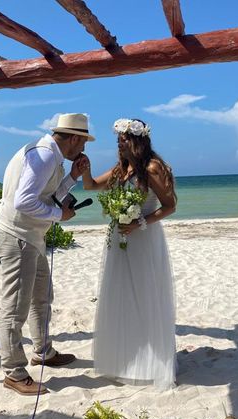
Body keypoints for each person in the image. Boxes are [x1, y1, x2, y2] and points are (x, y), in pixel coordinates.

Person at [0, 113, 94, 395]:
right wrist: (59, 215)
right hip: (18, 236)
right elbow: (24, 202)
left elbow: (45, 193)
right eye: (83, 143)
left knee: (41, 297)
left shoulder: (49, 154)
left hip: (30, 236)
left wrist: (72, 177)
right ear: (74, 138)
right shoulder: (47, 155)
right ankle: (13, 372)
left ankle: (43, 351)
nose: (83, 150)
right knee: (15, 307)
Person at [82, 118, 177, 389]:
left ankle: (151, 361)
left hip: (144, 238)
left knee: (145, 295)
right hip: (120, 240)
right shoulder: (120, 170)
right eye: (118, 140)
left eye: (122, 140)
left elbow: (170, 205)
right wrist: (85, 170)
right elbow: (91, 186)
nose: (118, 144)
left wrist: (140, 223)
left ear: (137, 141)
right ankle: (126, 358)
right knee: (121, 295)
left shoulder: (152, 168)